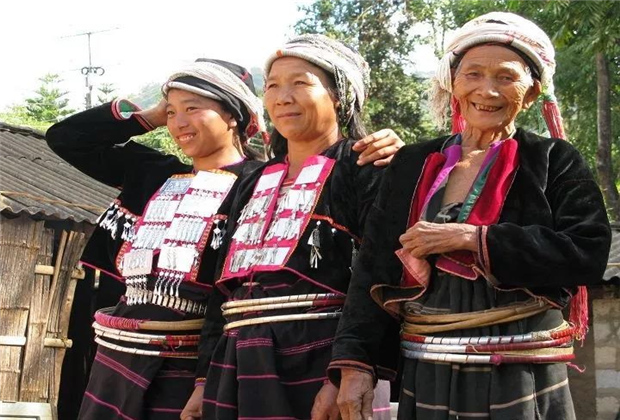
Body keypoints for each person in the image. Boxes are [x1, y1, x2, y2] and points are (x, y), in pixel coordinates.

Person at [47, 59, 402, 419]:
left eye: (193, 108)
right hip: (118, 355)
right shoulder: (151, 173)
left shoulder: (259, 183)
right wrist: (152, 115)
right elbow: (66, 139)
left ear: (232, 115)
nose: (179, 122)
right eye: (172, 112)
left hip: (201, 362)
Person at [328, 12, 611, 420]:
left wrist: (472, 239)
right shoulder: (411, 163)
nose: (487, 90)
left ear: (532, 92)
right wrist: (356, 362)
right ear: (452, 81)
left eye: (506, 77)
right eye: (473, 74)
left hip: (519, 369)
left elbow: (588, 252)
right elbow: (373, 267)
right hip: (427, 367)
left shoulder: (553, 160)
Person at [186, 34, 393, 420]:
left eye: (300, 83)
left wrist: (348, 369)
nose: (283, 98)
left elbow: (376, 274)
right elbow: (221, 287)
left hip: (320, 357)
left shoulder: (363, 166)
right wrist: (203, 380)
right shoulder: (252, 180)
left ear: (339, 96)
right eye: (272, 86)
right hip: (237, 357)